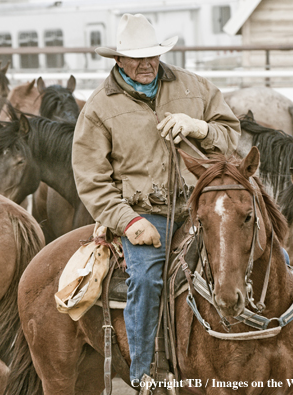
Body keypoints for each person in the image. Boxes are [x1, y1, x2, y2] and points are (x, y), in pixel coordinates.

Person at [72, 13, 240, 386]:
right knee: (147, 279)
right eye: (137, 57)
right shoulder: (99, 108)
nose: (147, 63)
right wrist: (128, 222)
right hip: (147, 215)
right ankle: (144, 373)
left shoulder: (195, 87)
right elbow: (91, 179)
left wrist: (200, 127)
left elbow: (231, 135)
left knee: (261, 248)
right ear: (118, 60)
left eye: (153, 55)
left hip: (202, 203)